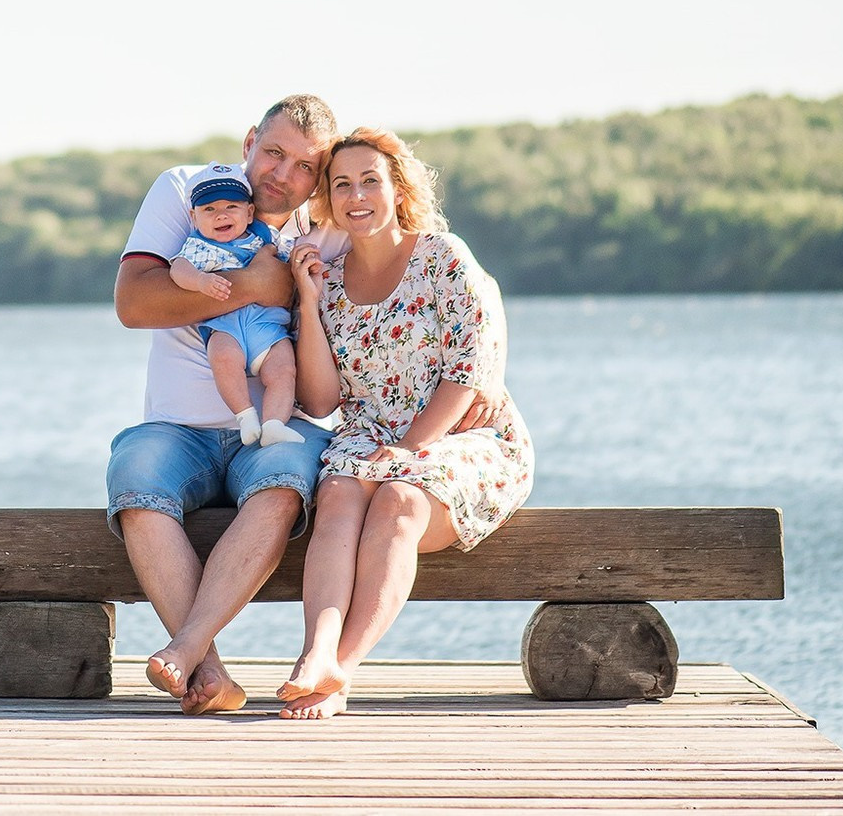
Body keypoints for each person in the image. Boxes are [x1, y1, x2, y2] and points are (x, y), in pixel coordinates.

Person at [108, 96, 505, 715]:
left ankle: (203, 651)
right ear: (249, 142)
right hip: (178, 428)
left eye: (305, 166)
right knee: (135, 480)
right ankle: (205, 667)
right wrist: (257, 285)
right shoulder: (189, 191)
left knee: (288, 486)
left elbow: (457, 278)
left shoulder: (328, 228)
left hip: (281, 426)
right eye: (273, 153)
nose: (283, 174)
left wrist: (487, 374)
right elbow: (134, 304)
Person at [276, 127, 533, 719]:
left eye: (371, 181)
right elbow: (320, 399)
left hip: (464, 436)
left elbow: (468, 370)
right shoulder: (328, 282)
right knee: (338, 494)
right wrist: (308, 303)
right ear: (328, 199)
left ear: (398, 190)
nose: (356, 195)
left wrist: (412, 448)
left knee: (399, 499)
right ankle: (316, 653)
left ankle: (340, 672)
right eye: (342, 184)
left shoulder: (441, 256)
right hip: (369, 439)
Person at [168, 163, 307, 448]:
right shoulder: (198, 246)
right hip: (225, 323)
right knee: (223, 358)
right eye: (209, 209)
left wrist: (304, 260)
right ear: (194, 217)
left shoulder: (265, 238)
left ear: (249, 212)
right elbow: (178, 269)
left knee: (283, 369)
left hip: (266, 323)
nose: (221, 215)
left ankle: (274, 423)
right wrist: (200, 281)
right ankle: (245, 416)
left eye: (231, 206)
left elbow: (290, 258)